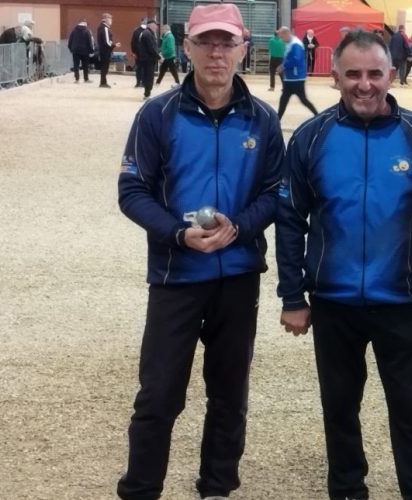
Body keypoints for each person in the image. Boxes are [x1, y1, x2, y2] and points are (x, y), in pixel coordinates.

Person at [276, 28, 412, 500]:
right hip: (333, 303)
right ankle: (347, 490)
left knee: (411, 411)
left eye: (374, 74)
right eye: (352, 74)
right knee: (339, 408)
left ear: (391, 75)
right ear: (334, 77)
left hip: (402, 301)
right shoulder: (312, 137)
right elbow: (290, 219)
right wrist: (292, 296)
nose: (364, 84)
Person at [116, 4, 283, 499]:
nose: (216, 53)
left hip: (238, 275)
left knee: (230, 394)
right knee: (159, 395)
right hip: (177, 275)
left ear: (243, 50)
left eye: (226, 43)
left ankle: (217, 487)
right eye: (206, 42)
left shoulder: (262, 119)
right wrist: (176, 234)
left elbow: (276, 191)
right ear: (186, 47)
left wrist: (241, 227)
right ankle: (140, 490)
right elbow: (132, 190)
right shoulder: (157, 114)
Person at [276, 26, 318, 118]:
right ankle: (277, 119)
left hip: (296, 78)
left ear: (286, 34)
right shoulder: (291, 43)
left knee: (301, 100)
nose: (282, 40)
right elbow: (289, 58)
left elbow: (296, 59)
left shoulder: (296, 44)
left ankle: (317, 115)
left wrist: (283, 66)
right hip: (291, 78)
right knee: (285, 100)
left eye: (282, 37)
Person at [136, 20, 160, 100]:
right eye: (155, 25)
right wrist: (159, 57)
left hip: (147, 59)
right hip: (148, 59)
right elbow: (151, 48)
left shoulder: (148, 33)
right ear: (150, 25)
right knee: (149, 77)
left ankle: (147, 93)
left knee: (148, 76)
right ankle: (147, 94)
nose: (156, 27)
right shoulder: (147, 34)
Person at [97, 13, 120, 88]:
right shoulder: (105, 28)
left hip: (103, 50)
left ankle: (103, 82)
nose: (111, 20)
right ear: (105, 19)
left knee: (104, 67)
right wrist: (114, 45)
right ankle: (103, 83)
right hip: (105, 51)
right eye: (110, 19)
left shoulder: (101, 27)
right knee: (105, 67)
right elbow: (107, 41)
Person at [131, 19, 147, 88]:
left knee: (139, 68)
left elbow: (132, 43)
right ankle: (143, 82)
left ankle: (138, 82)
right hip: (145, 54)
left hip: (138, 53)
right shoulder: (148, 31)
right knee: (144, 68)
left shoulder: (136, 31)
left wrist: (133, 52)